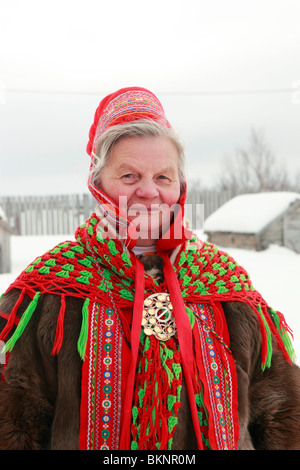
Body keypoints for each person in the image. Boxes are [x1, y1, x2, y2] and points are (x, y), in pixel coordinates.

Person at [0, 86, 300, 451]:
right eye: (129, 176)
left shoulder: (222, 280)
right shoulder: (51, 287)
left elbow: (282, 413)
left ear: (180, 187)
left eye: (163, 177)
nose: (148, 191)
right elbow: (15, 420)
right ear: (97, 184)